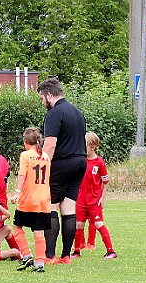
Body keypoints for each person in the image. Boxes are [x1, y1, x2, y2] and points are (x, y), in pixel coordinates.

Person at [37, 78, 87, 265]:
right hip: (80, 162)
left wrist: (41, 167)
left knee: (51, 207)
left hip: (62, 164)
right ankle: (66, 255)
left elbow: (50, 145)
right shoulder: (77, 112)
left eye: (42, 98)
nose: (43, 103)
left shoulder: (54, 114)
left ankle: (50, 255)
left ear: (49, 95)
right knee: (69, 208)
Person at [10, 127, 51, 273]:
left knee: (17, 227)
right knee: (39, 232)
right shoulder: (45, 156)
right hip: (44, 199)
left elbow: (22, 175)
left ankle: (26, 255)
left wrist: (16, 192)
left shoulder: (26, 155)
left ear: (26, 141)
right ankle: (40, 262)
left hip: (28, 199)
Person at [71, 132, 117, 259]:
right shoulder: (80, 161)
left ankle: (111, 251)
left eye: (84, 146)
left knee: (98, 224)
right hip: (80, 200)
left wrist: (102, 198)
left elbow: (106, 182)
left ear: (93, 147)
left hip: (94, 201)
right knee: (79, 224)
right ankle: (76, 251)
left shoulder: (99, 163)